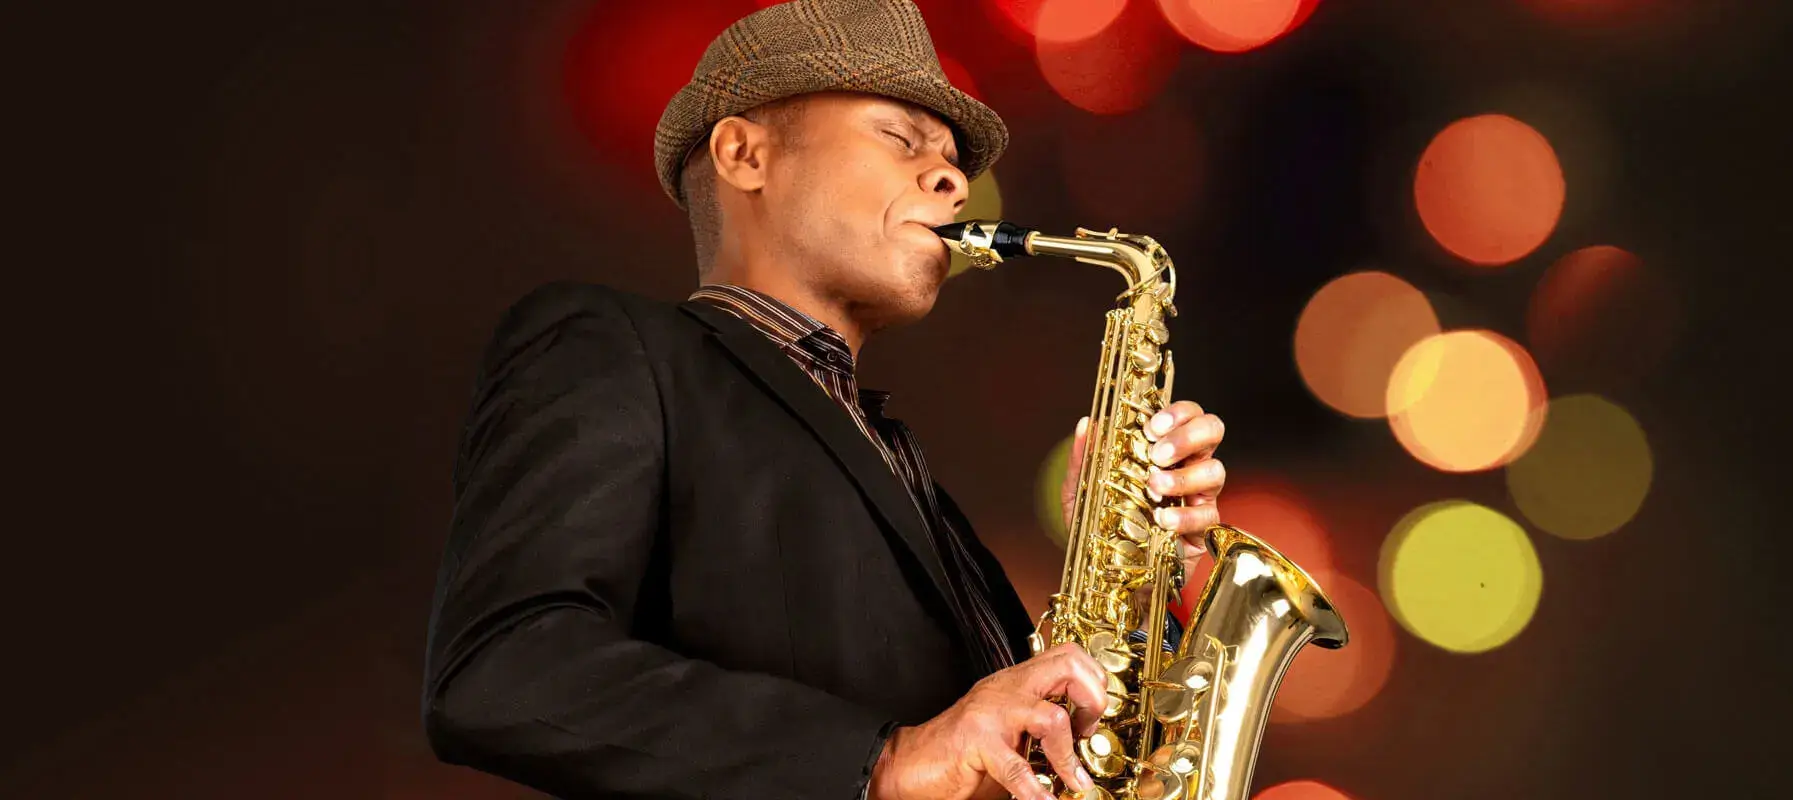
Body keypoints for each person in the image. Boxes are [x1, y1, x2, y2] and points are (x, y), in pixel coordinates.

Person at [419, 1, 1229, 798]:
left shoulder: (904, 470)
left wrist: (1146, 595)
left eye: (952, 161)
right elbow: (501, 668)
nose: (953, 181)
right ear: (744, 155)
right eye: (901, 138)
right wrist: (884, 760)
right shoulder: (609, 344)